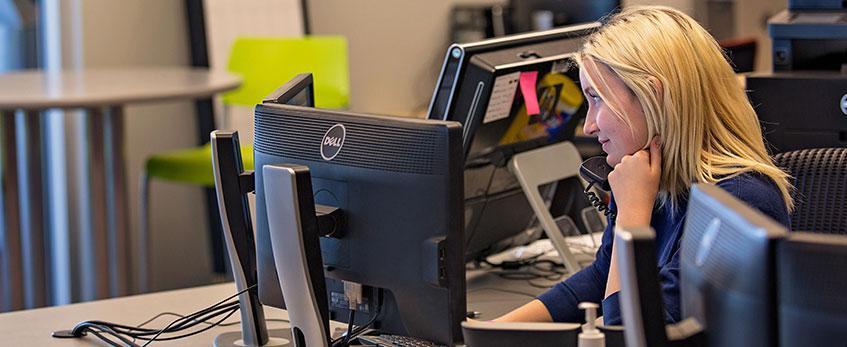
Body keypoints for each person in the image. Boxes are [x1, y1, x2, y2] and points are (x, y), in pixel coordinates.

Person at [494, 6, 793, 325]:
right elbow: (600, 278)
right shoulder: (655, 179)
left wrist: (631, 218)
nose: (589, 125)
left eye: (597, 99)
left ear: (652, 96)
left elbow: (626, 333)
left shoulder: (740, 203)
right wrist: (485, 334)